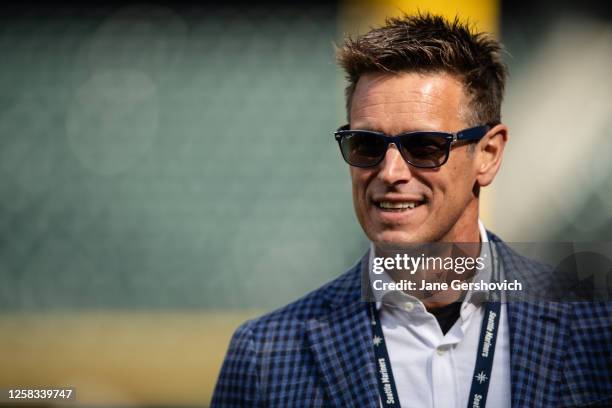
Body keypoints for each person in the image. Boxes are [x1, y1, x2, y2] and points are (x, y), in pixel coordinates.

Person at [211, 14, 611, 407]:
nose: (390, 172)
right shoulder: (265, 356)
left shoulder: (597, 330)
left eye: (424, 146)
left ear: (488, 154)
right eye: (366, 145)